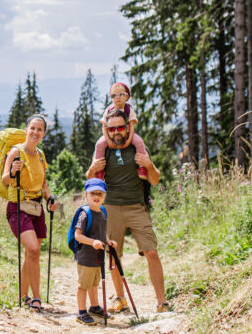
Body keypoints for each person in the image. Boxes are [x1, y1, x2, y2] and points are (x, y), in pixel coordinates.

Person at [86, 108, 170, 313]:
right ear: (107, 130)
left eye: (120, 128)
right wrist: (91, 169)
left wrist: (149, 165)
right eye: (112, 128)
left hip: (137, 207)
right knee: (114, 255)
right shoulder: (104, 149)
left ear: (127, 127)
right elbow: (90, 182)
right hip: (111, 208)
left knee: (151, 251)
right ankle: (120, 299)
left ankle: (162, 302)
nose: (116, 132)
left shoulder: (137, 147)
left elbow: (155, 179)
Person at [1, 114, 58, 312]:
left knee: (30, 253)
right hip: (17, 207)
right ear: (26, 130)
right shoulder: (16, 152)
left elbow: (43, 183)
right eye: (32, 128)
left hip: (37, 208)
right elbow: (5, 180)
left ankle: (23, 296)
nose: (35, 132)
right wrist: (12, 171)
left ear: (43, 134)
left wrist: (49, 198)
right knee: (33, 250)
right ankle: (36, 298)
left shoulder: (40, 155)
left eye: (39, 129)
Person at [73, 178, 117, 326]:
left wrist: (108, 241)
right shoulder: (85, 214)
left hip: (98, 257)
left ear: (104, 196)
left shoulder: (103, 211)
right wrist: (93, 242)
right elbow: (78, 235)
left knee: (94, 283)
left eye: (100, 193)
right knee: (84, 285)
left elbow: (101, 232)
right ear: (86, 194)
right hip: (86, 257)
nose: (96, 196)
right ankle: (81, 312)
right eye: (93, 193)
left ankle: (94, 307)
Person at [94, 82, 148, 180]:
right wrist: (108, 140)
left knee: (139, 142)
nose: (117, 97)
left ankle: (142, 167)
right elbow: (104, 126)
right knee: (99, 144)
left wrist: (128, 141)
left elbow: (131, 126)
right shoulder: (109, 110)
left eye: (121, 95)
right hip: (111, 134)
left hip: (128, 133)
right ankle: (99, 170)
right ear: (111, 98)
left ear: (127, 96)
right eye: (114, 95)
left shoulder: (129, 109)